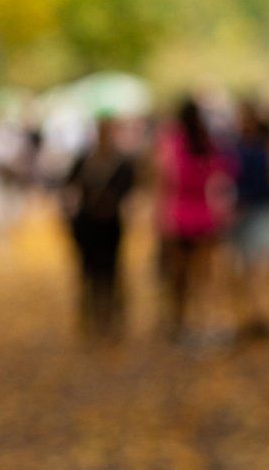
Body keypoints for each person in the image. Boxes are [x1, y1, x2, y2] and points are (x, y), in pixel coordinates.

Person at [152, 98, 231, 344]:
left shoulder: (172, 143)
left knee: (179, 275)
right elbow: (220, 180)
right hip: (205, 215)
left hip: (178, 215)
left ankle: (181, 322)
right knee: (204, 274)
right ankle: (204, 321)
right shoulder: (208, 143)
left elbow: (164, 179)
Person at [62, 117, 137, 343]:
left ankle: (109, 319)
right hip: (89, 224)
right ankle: (92, 319)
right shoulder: (86, 160)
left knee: (110, 272)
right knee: (90, 272)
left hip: (109, 224)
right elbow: (69, 187)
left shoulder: (120, 163)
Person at [225, 104, 269, 343]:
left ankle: (261, 312)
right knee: (246, 267)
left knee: (259, 265)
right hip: (242, 212)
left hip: (258, 211)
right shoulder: (235, 150)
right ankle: (252, 313)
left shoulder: (261, 149)